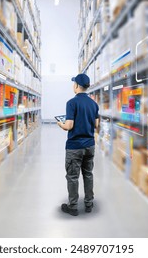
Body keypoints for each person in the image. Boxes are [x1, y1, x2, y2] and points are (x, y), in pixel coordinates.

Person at [57, 73, 99, 216]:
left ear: (76, 85)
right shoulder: (94, 104)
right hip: (90, 145)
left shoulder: (71, 103)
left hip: (75, 146)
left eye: (73, 83)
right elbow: (96, 124)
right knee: (88, 174)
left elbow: (69, 125)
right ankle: (88, 204)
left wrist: (60, 124)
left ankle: (73, 207)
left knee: (73, 176)